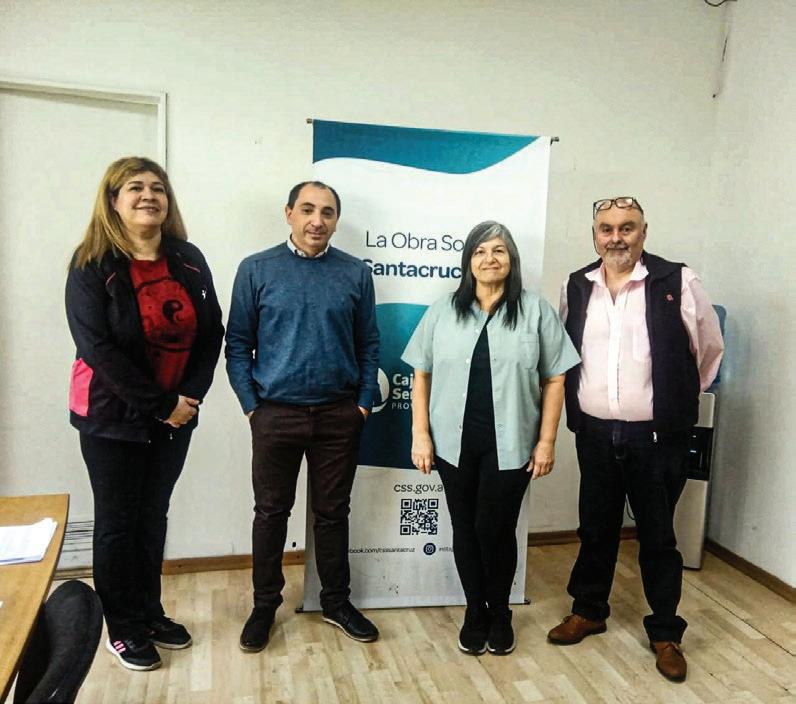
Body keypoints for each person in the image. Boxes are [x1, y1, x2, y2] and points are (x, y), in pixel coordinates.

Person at [547, 197, 724, 682]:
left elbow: (708, 349)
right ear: (594, 235)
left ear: (644, 232)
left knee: (659, 536)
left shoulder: (677, 281)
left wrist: (673, 401)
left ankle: (665, 631)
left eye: (627, 227)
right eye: (606, 228)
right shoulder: (576, 286)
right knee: (595, 528)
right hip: (595, 434)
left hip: (658, 438)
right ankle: (588, 610)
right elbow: (567, 350)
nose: (616, 237)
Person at [65, 156, 224, 671]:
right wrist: (161, 405)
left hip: (176, 415)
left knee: (153, 516)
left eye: (158, 188)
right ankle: (123, 628)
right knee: (118, 523)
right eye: (135, 187)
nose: (148, 196)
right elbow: (97, 348)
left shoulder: (188, 258)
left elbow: (212, 332)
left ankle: (150, 614)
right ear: (113, 200)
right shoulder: (92, 263)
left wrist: (189, 398)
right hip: (111, 417)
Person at [401, 221, 580, 656]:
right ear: (468, 262)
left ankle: (500, 612)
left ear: (511, 260)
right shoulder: (443, 311)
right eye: (480, 251)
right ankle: (474, 612)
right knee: (465, 528)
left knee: (497, 531)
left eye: (499, 250)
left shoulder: (535, 312)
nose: (489, 259)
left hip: (512, 445)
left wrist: (547, 442)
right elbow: (421, 374)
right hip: (453, 444)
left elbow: (556, 378)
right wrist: (420, 435)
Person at [225, 181, 380, 652]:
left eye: (327, 212)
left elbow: (368, 343)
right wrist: (252, 405)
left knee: (333, 513)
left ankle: (336, 602)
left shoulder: (355, 273)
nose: (317, 220)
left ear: (336, 220)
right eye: (308, 210)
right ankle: (264, 606)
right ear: (289, 213)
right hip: (275, 414)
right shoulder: (256, 269)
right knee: (271, 513)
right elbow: (237, 344)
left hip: (338, 415)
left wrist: (362, 402)